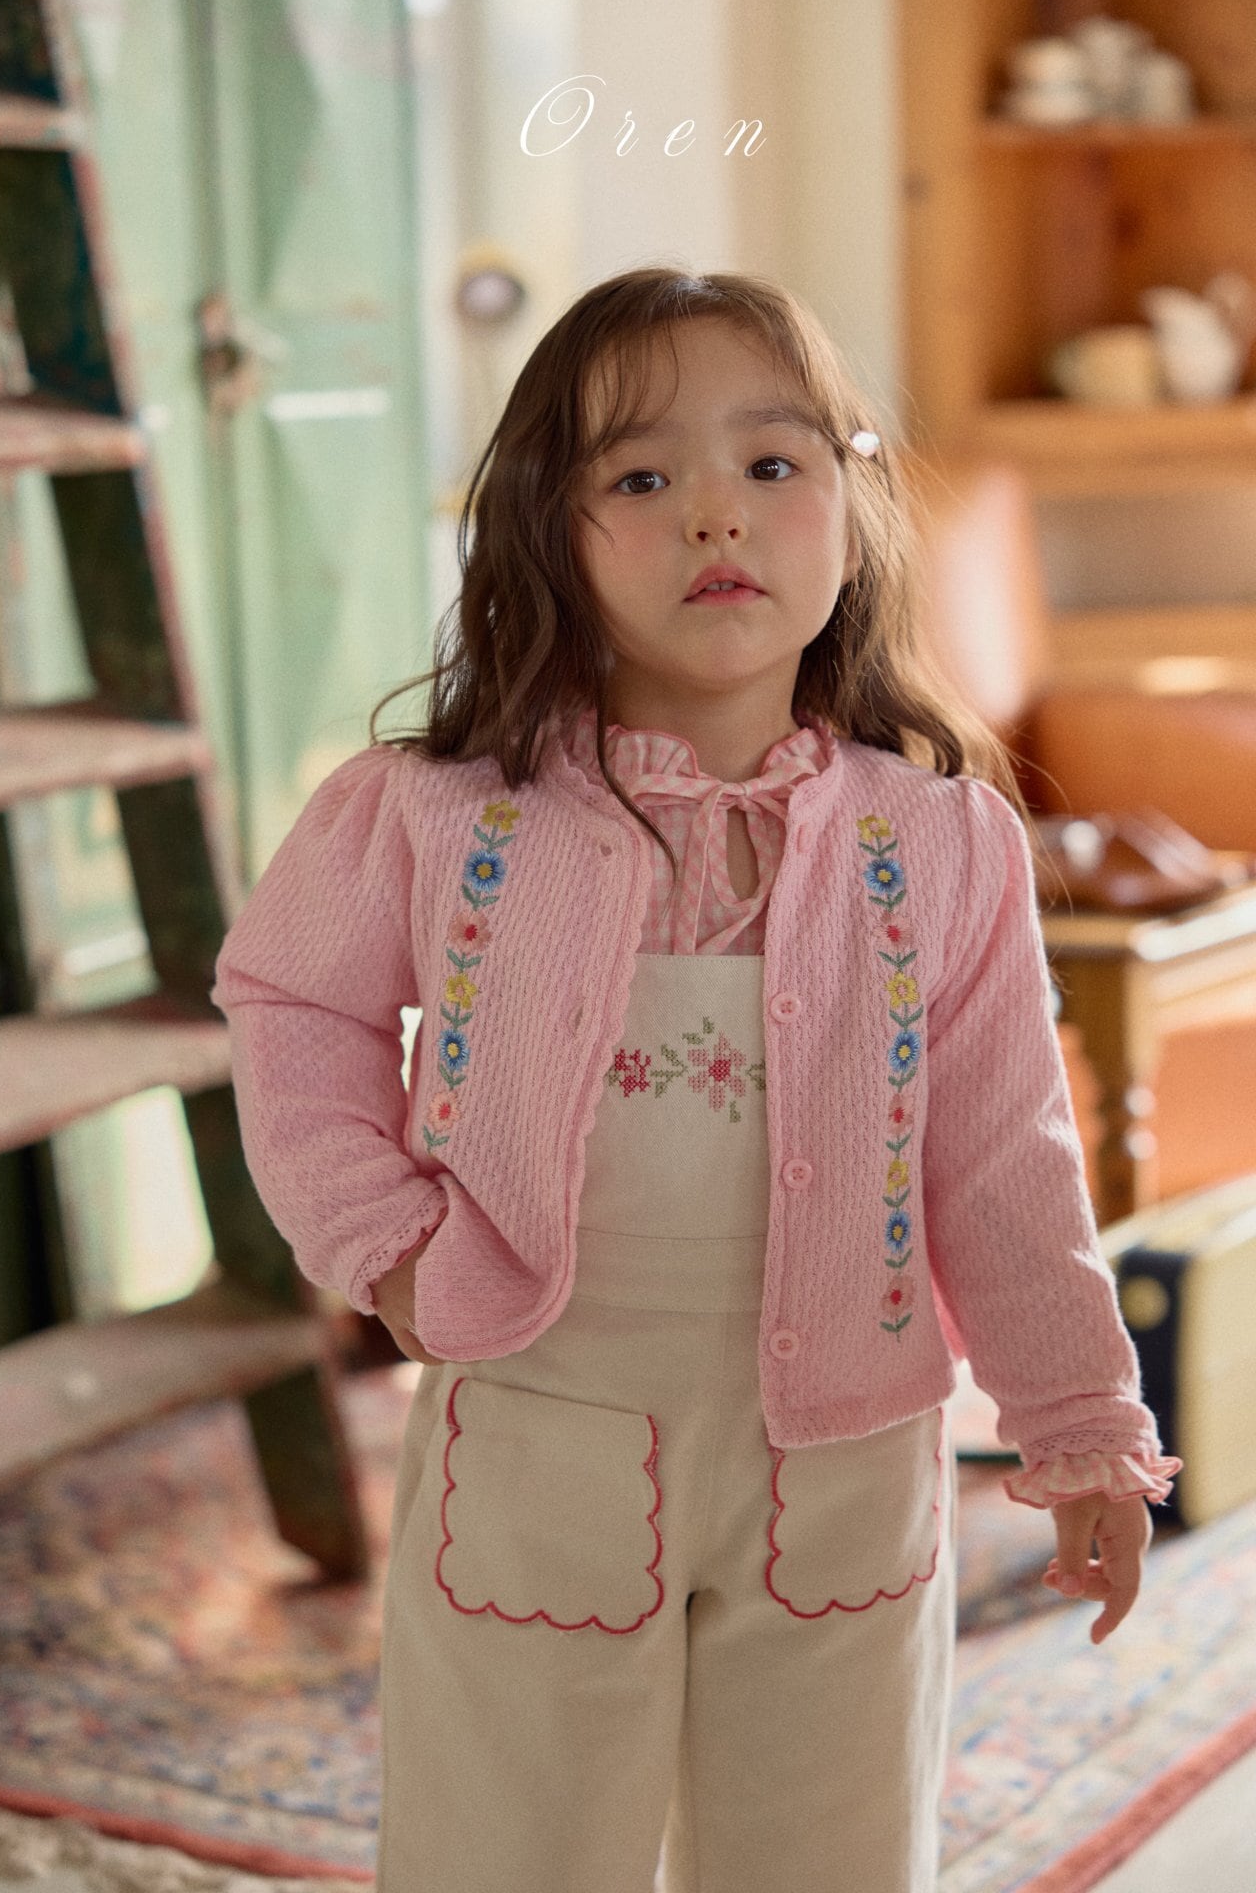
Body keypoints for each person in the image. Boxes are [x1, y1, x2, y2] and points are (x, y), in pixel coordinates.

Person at [210, 266, 1182, 1893]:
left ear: (854, 511)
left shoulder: (940, 840)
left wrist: (1079, 1420)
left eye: (771, 464)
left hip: (845, 1468)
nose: (715, 515)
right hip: (541, 1434)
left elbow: (1005, 1157)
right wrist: (383, 1240)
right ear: (549, 530)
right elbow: (290, 1002)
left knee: (832, 1854)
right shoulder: (437, 813)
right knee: (505, 1849)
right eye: (643, 477)